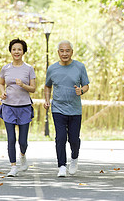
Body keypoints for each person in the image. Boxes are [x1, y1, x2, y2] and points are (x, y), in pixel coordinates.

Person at [44, 40, 90, 177]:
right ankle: (62, 166)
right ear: (58, 52)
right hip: (57, 108)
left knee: (74, 139)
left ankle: (74, 158)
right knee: (60, 137)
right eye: (62, 51)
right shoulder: (52, 69)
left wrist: (81, 91)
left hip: (75, 110)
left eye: (67, 51)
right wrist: (47, 100)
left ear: (72, 52)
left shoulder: (79, 67)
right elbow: (47, 86)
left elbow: (86, 85)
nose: (65, 53)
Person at [0, 38, 36, 177]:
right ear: (10, 51)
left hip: (24, 107)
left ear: (23, 51)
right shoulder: (6, 68)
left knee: (23, 141)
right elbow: (1, 83)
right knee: (11, 138)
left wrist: (23, 85)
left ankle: (23, 155)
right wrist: (2, 92)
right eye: (14, 49)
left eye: (19, 49)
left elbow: (33, 89)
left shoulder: (29, 68)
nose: (16, 52)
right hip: (8, 107)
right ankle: (13, 167)